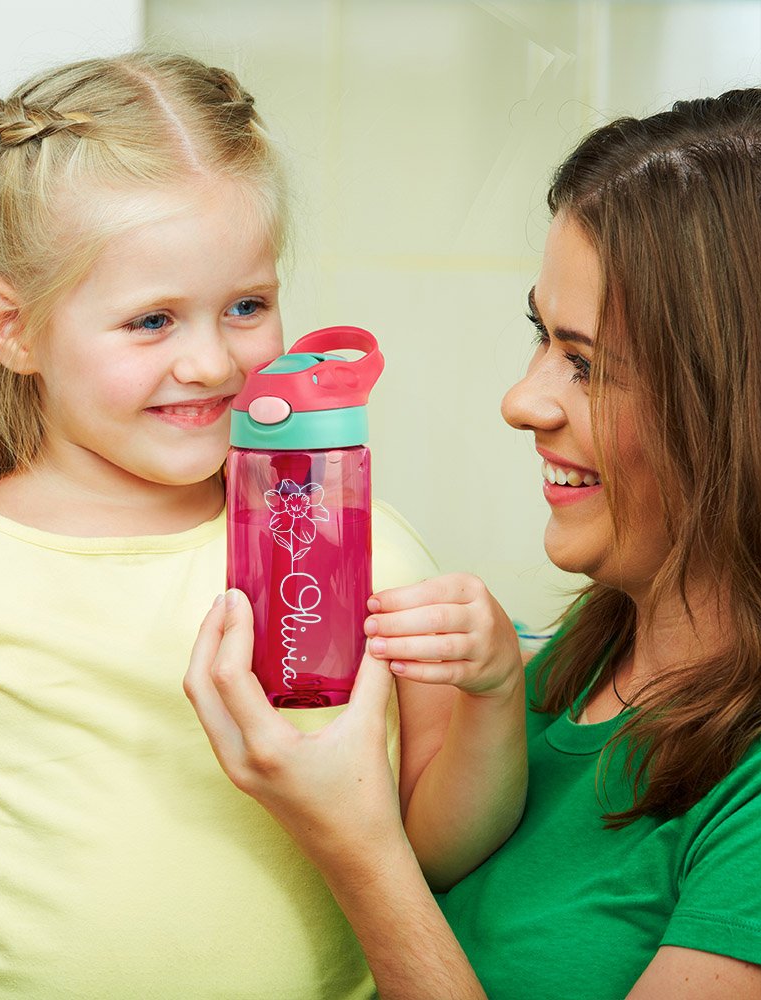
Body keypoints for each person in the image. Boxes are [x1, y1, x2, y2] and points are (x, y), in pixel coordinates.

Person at [0, 53, 527, 1000]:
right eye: (152, 321)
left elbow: (432, 851)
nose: (211, 361)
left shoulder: (344, 550)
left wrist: (495, 692)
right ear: (13, 327)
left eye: (246, 306)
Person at [185, 87, 761, 1000]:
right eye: (541, 335)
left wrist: (356, 846)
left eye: (586, 363)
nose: (521, 401)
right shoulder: (564, 670)